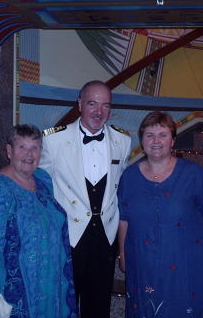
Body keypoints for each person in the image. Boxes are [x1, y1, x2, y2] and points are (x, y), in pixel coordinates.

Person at [117, 111, 203, 318]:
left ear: (173, 140)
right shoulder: (129, 176)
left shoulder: (193, 174)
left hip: (187, 261)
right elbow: (124, 219)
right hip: (143, 262)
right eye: (149, 135)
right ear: (142, 141)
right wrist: (123, 255)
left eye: (162, 135)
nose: (156, 141)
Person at [40, 80, 131, 318]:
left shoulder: (123, 141)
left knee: (99, 307)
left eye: (105, 105)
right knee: (64, 303)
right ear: (80, 104)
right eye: (92, 103)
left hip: (105, 237)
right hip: (68, 236)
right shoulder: (53, 139)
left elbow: (120, 188)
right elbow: (41, 188)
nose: (99, 112)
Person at [0, 124, 77, 318]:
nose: (29, 154)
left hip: (51, 287)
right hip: (14, 291)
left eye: (35, 148)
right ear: (9, 151)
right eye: (22, 147)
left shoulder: (43, 180)